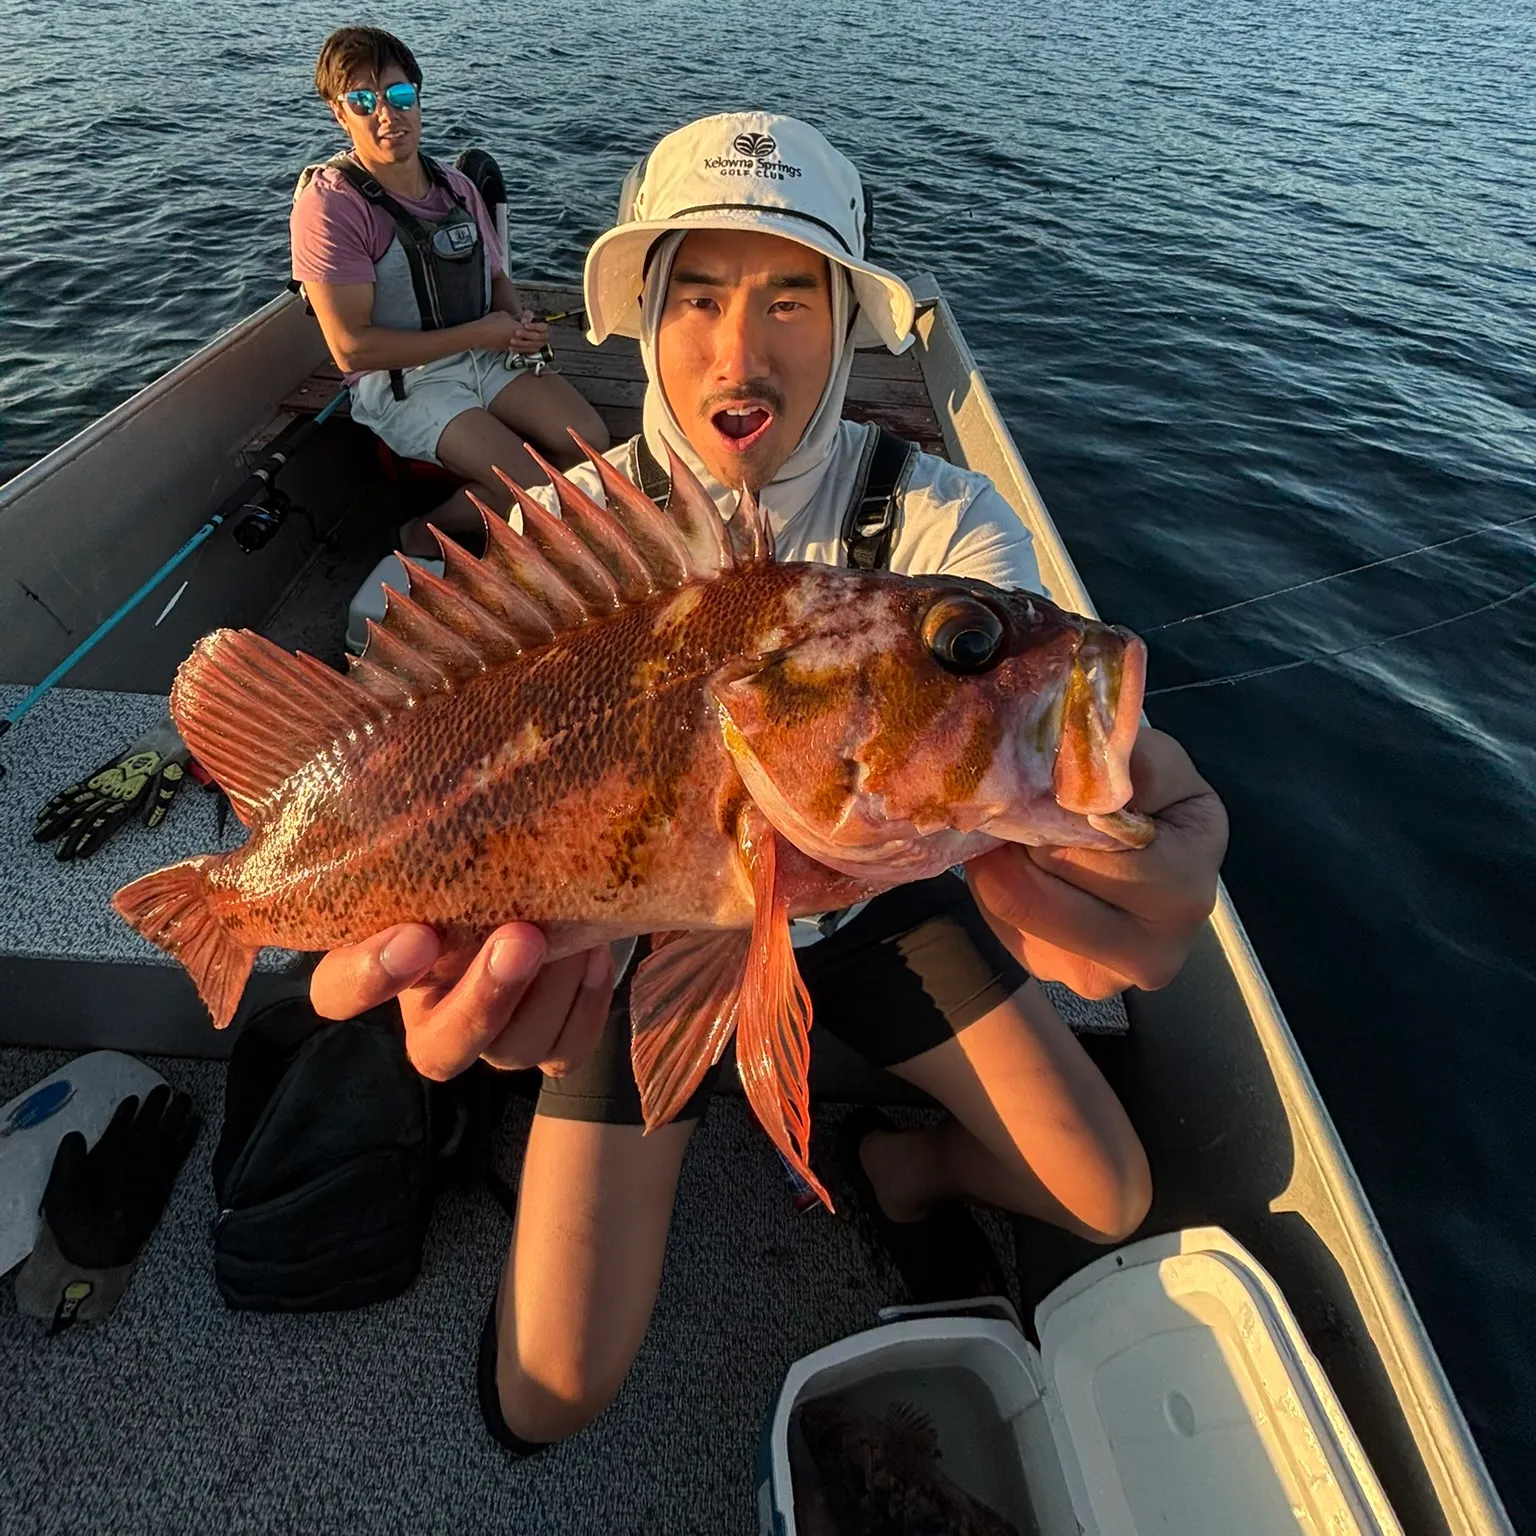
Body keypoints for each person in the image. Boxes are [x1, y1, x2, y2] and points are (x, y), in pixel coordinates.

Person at [308, 114, 1230, 1452]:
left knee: (1106, 1192)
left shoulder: (940, 530)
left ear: (848, 322)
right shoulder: (570, 547)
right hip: (635, 928)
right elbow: (424, 698)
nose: (741, 348)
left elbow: (1022, 688)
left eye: (792, 294)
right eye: (699, 294)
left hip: (863, 895)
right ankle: (519, 1117)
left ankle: (897, 1172)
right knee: (544, 1395)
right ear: (644, 316)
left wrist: (1132, 815)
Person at [290, 27, 608, 556]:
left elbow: (498, 279)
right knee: (533, 489)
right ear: (338, 112)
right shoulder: (331, 207)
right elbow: (352, 347)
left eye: (398, 96)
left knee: (592, 446)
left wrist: (518, 328)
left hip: (485, 354)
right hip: (402, 382)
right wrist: (482, 330)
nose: (387, 115)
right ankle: (423, 534)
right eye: (364, 101)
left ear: (417, 97)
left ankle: (502, 518)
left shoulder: (456, 187)